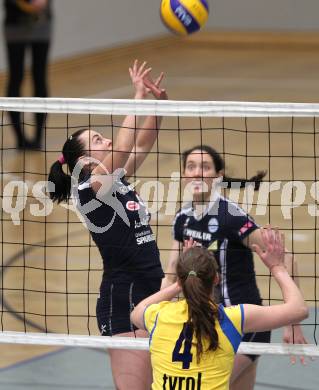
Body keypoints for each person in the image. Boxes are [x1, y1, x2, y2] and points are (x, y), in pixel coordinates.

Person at [48, 60, 167, 390]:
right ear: (84, 161)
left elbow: (140, 144)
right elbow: (127, 143)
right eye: (98, 140)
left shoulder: (115, 179)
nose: (107, 141)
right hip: (125, 297)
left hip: (154, 291)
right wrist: (137, 97)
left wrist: (159, 105)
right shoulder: (91, 187)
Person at [161, 145, 308, 390]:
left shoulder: (231, 217)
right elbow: (171, 274)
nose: (197, 173)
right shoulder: (182, 217)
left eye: (205, 167)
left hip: (242, 323)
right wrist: (159, 316)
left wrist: (292, 322)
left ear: (218, 176)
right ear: (184, 175)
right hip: (206, 322)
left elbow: (287, 259)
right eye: (191, 166)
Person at [131, 227, 309, 390]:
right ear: (216, 279)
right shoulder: (232, 318)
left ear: (182, 278)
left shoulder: (159, 315)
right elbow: (298, 309)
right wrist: (278, 268)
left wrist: (178, 284)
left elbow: (137, 312)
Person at [3, 0, 52, 149]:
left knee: (40, 77)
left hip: (41, 23)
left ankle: (38, 137)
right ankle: (20, 138)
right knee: (16, 77)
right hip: (15, 24)